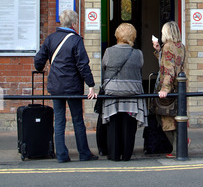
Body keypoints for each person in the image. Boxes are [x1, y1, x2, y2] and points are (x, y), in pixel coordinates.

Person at [34, 9, 98, 163]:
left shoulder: (51, 39)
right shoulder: (76, 40)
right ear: (74, 23)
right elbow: (83, 65)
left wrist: (40, 68)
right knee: (77, 120)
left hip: (56, 86)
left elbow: (38, 61)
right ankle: (84, 153)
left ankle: (62, 155)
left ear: (61, 22)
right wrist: (91, 85)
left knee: (59, 121)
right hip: (73, 87)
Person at [101, 23, 148, 161]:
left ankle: (114, 155)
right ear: (133, 36)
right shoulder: (138, 53)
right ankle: (127, 154)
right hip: (132, 93)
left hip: (113, 93)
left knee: (113, 124)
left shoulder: (109, 52)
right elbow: (140, 68)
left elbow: (104, 67)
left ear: (117, 35)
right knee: (129, 125)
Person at [152, 21, 186, 158]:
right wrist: (158, 51)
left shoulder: (167, 47)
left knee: (164, 118)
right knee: (177, 117)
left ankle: (178, 148)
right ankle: (181, 144)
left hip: (169, 87)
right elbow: (171, 63)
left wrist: (165, 88)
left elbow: (168, 69)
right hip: (180, 86)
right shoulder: (181, 46)